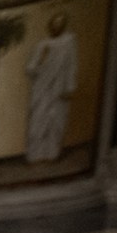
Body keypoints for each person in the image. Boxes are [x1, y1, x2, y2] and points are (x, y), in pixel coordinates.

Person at [24, 14, 78, 163]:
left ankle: (52, 154)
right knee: (38, 121)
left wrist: (69, 87)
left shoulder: (69, 42)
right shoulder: (43, 45)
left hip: (58, 89)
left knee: (56, 121)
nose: (56, 27)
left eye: (60, 24)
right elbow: (30, 69)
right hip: (41, 90)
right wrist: (41, 59)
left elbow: (72, 66)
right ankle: (36, 155)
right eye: (54, 24)